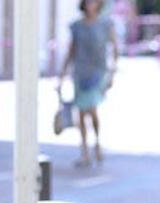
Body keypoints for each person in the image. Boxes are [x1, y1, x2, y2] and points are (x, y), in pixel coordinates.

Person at [59, 0, 119, 166]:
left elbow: (115, 49)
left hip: (98, 73)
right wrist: (62, 75)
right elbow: (71, 51)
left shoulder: (106, 24)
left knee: (91, 109)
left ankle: (97, 143)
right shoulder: (76, 26)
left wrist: (113, 72)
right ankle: (84, 150)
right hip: (80, 73)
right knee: (80, 112)